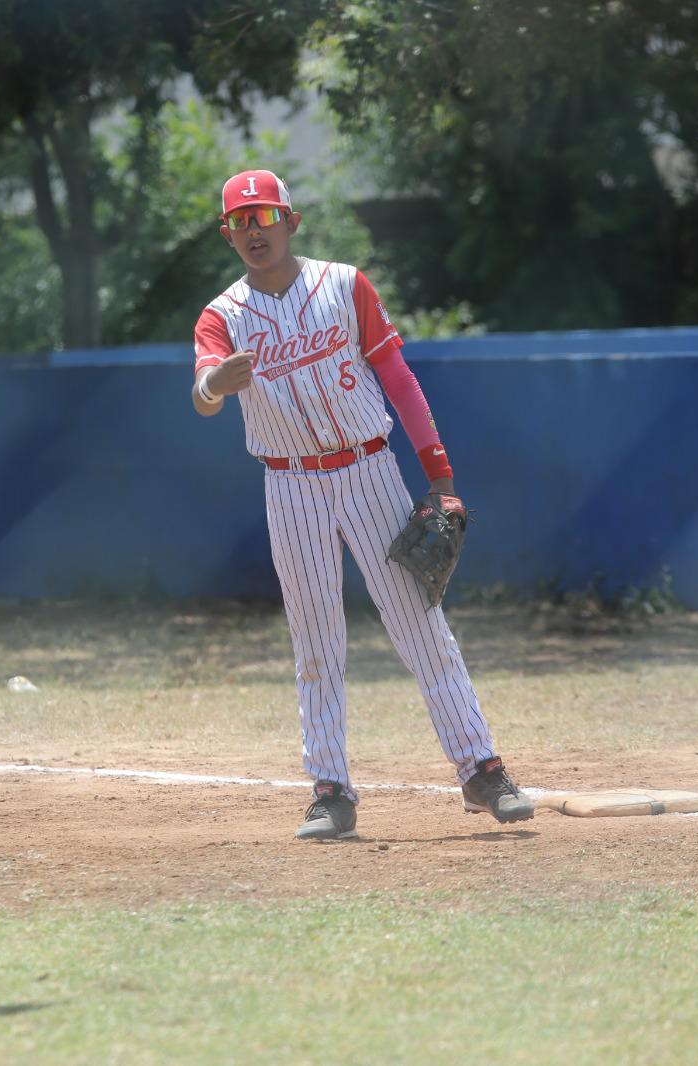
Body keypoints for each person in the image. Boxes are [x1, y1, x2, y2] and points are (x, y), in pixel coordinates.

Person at [190, 169, 534, 840]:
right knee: (316, 641)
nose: (254, 232)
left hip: (369, 470)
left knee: (420, 625)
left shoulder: (345, 285)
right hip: (290, 485)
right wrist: (214, 385)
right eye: (241, 222)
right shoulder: (222, 315)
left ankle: (482, 771)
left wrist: (438, 474)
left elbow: (398, 379)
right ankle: (330, 790)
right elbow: (202, 392)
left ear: (291, 222)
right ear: (227, 234)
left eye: (265, 218)